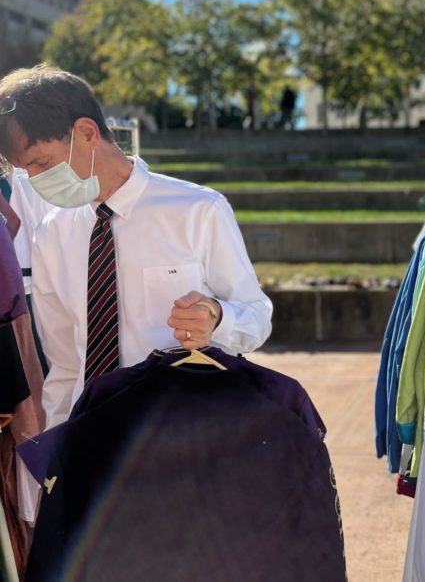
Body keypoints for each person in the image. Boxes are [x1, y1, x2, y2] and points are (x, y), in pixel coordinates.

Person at [0, 65, 273, 428]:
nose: (34, 181)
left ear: (86, 133)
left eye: (41, 163)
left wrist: (218, 317)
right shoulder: (52, 233)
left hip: (182, 429)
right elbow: (66, 367)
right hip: (94, 438)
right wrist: (58, 454)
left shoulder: (197, 210)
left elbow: (257, 317)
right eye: (25, 171)